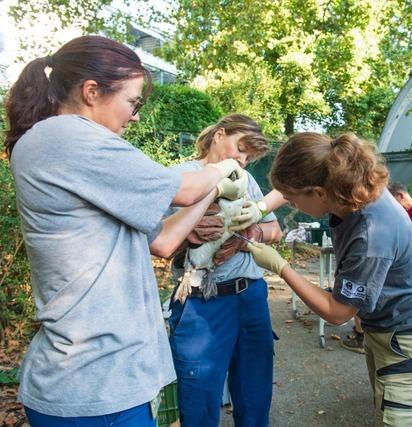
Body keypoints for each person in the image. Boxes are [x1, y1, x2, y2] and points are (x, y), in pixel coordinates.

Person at [4, 36, 246, 426]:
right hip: (92, 387)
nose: (135, 117)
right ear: (91, 92)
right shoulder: (67, 137)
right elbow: (184, 189)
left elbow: (164, 241)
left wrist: (212, 191)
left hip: (107, 381)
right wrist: (222, 170)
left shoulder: (69, 150)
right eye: (133, 103)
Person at [247, 132, 412, 426]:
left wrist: (281, 267)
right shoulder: (348, 185)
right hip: (385, 327)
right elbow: (292, 186)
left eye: (293, 200)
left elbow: (338, 312)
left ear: (318, 192)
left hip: (409, 336)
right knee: (385, 413)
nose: (290, 204)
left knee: (401, 422)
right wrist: (258, 208)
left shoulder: (372, 232)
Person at [167, 114, 282, 427]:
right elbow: (157, 239)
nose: (241, 160)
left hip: (250, 295)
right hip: (202, 302)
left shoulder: (245, 178)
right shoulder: (181, 177)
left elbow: (274, 230)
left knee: (255, 397)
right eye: (239, 148)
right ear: (219, 134)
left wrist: (250, 236)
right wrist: (189, 239)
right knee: (199, 401)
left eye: (248, 157)